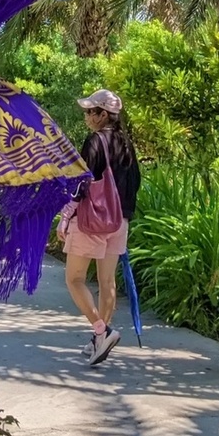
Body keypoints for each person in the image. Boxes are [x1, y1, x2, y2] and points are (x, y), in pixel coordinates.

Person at [56, 88, 141, 366]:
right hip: (119, 221)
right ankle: (99, 342)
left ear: (104, 114)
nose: (87, 117)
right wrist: (123, 215)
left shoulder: (94, 141)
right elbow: (135, 183)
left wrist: (67, 215)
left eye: (91, 112)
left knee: (74, 278)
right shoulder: (127, 144)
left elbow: (81, 183)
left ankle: (101, 331)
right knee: (107, 282)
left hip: (92, 220)